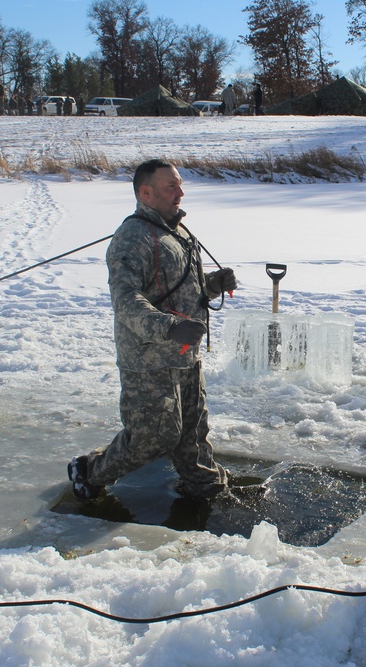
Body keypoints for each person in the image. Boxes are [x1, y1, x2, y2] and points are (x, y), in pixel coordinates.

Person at [68, 159, 238, 500]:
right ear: (146, 192)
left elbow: (178, 289)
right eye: (171, 187)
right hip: (148, 358)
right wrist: (170, 327)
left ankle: (205, 485)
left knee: (192, 429)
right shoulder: (132, 238)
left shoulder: (177, 231)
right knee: (153, 437)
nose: (181, 193)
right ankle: (89, 471)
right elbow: (126, 301)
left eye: (179, 185)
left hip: (184, 354)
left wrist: (213, 285)